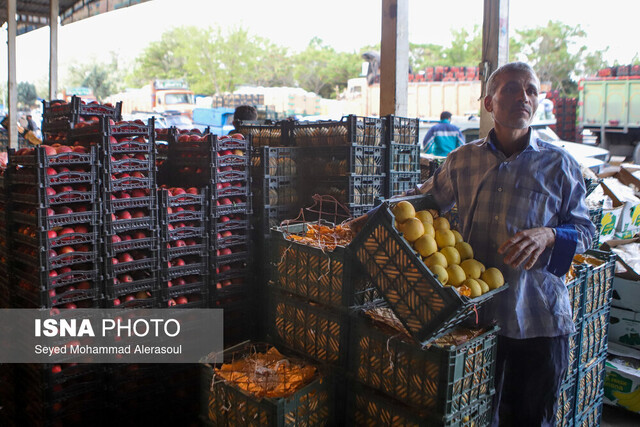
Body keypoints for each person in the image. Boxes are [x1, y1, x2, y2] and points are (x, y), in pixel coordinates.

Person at [349, 62, 595, 426]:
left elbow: (587, 232)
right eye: (512, 88)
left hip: (539, 320)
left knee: (531, 419)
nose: (523, 97)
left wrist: (551, 234)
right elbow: (421, 200)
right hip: (477, 320)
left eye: (531, 90)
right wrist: (368, 219)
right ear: (489, 103)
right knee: (476, 417)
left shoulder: (559, 165)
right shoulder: (463, 160)